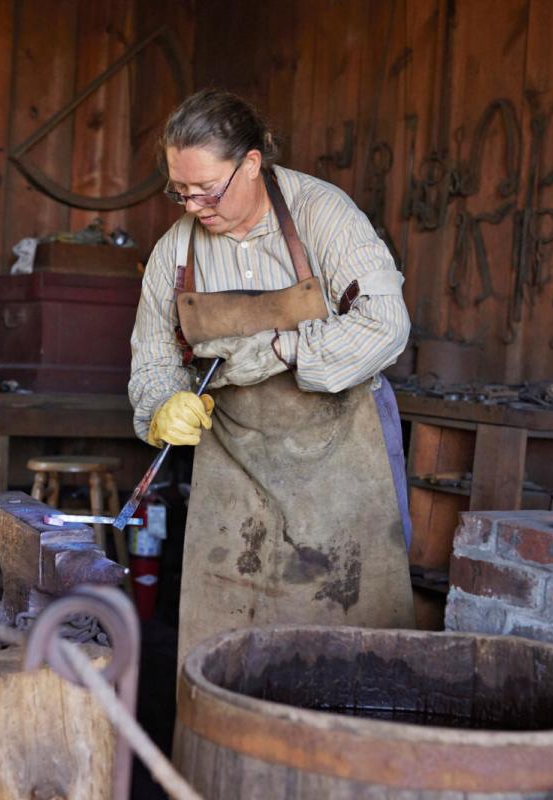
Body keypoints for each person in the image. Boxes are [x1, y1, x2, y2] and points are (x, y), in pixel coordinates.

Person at [128, 89, 416, 668]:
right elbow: (154, 364)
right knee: (225, 655)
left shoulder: (322, 215)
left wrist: (283, 351)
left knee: (349, 655)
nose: (192, 207)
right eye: (179, 191)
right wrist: (163, 405)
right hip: (234, 468)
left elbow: (387, 325)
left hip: (340, 466)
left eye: (206, 190)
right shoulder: (174, 254)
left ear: (252, 164)